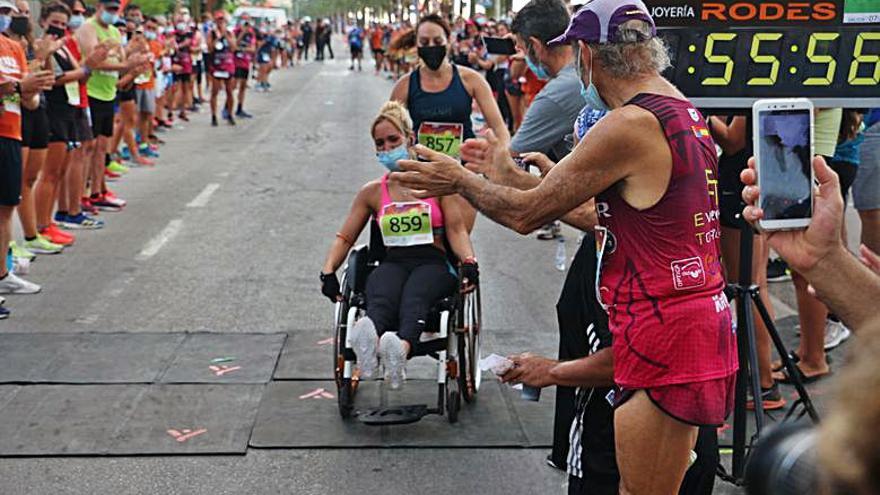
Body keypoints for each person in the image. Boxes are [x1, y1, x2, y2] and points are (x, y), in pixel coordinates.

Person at [393, 2, 737, 493]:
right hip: (682, 325)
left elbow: (524, 215)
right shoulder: (680, 108)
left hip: (666, 332)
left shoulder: (629, 123)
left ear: (589, 54)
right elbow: (613, 217)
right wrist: (522, 180)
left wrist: (458, 179)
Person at [320, 101, 478, 390]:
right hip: (393, 261)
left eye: (393, 139)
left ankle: (400, 348)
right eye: (380, 143)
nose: (387, 147)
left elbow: (456, 229)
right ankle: (370, 338)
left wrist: (469, 262)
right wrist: (328, 270)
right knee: (380, 293)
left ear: (410, 138)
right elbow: (345, 237)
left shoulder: (438, 184)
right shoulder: (372, 192)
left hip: (433, 261)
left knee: (415, 295)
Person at [509, 0, 587, 241]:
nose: (523, 58)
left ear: (535, 45)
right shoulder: (587, 70)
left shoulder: (558, 93)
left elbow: (511, 161)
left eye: (522, 49)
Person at [0, 0, 55, 300]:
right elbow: (16, 87)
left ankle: (3, 275)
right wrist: (23, 87)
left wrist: (35, 87)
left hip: (12, 131)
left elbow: (28, 100)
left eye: (7, 13)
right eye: (3, 12)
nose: (6, 18)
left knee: (6, 207)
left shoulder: (14, 48)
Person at [207, 10, 235, 126]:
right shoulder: (211, 33)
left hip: (228, 64)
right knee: (215, 91)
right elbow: (210, 48)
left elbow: (233, 48)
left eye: (222, 20)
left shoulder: (229, 33)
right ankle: (213, 115)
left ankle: (230, 114)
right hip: (216, 65)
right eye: (218, 20)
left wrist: (225, 36)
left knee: (230, 91)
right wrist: (218, 38)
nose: (220, 22)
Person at [232, 15, 254, 119]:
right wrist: (241, 34)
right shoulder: (235, 32)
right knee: (232, 86)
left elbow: (252, 49)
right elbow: (233, 45)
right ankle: (227, 108)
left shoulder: (251, 34)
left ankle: (239, 108)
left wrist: (241, 49)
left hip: (245, 62)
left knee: (243, 86)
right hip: (235, 62)